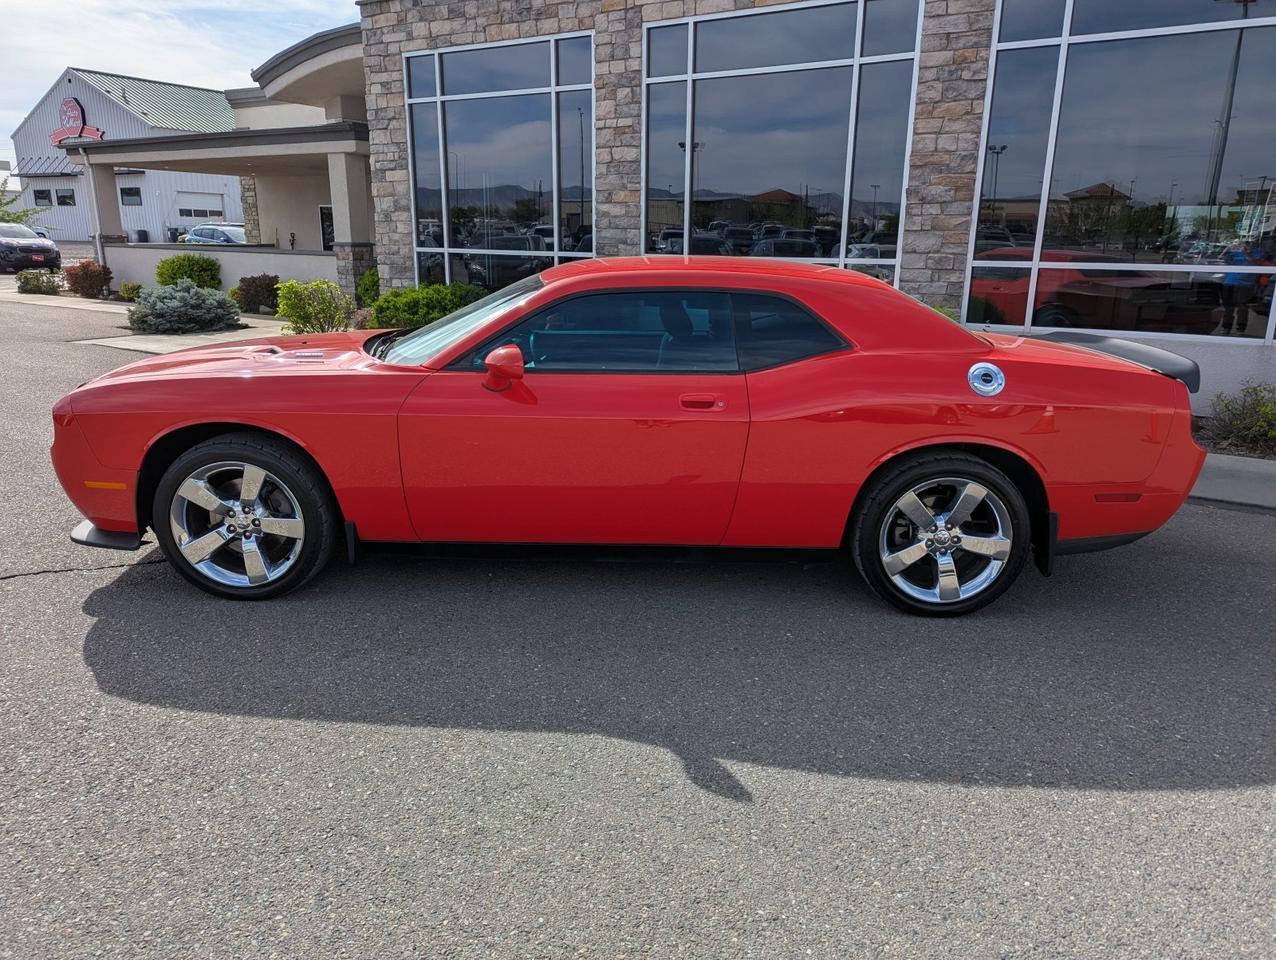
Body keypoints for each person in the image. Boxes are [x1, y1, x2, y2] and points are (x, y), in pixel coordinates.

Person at [1219, 239, 1259, 335]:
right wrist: (1227, 250)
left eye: (1246, 244)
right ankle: (1226, 327)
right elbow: (1222, 258)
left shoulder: (1257, 252)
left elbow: (1256, 264)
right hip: (1230, 282)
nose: (1243, 246)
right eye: (1241, 244)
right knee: (1228, 306)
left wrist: (1247, 253)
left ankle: (1240, 328)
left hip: (1246, 283)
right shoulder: (1235, 253)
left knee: (1242, 306)